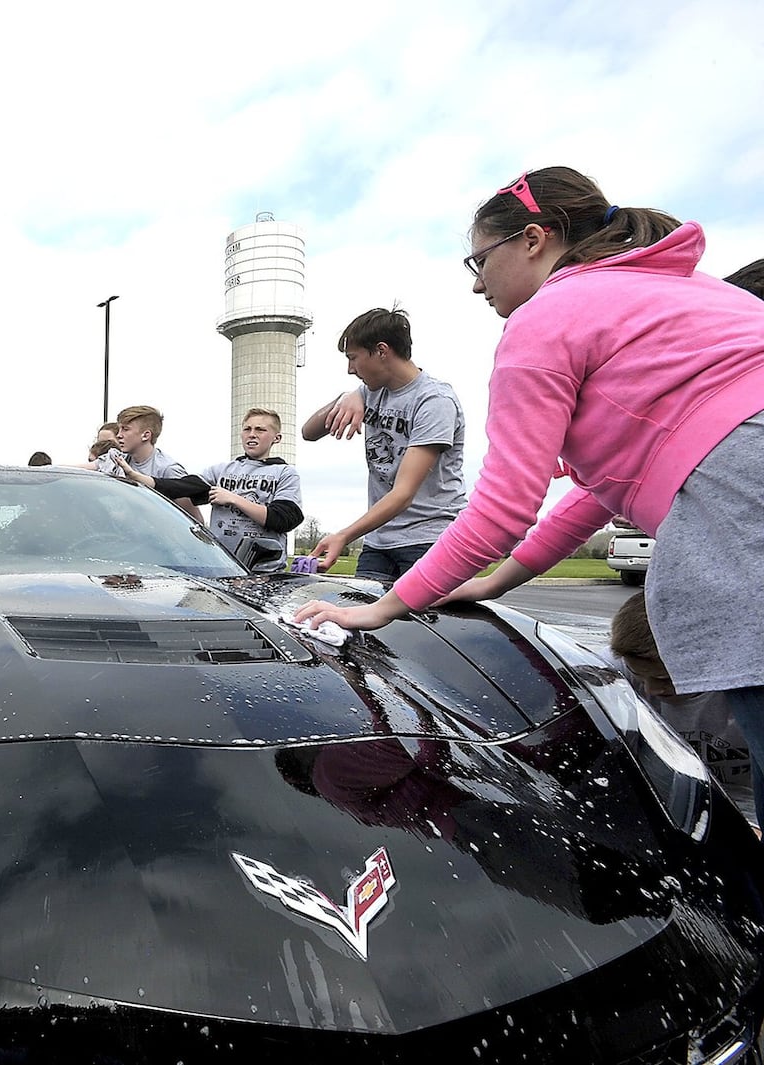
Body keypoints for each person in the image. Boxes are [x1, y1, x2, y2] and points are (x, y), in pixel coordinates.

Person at [293, 168, 764, 787]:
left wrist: (384, 608)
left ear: (534, 240)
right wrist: (496, 583)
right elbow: (592, 499)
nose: (477, 285)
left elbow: (503, 509)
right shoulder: (689, 292)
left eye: (479, 261)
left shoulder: (547, 317)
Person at [299, 308, 467, 585]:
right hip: (379, 541)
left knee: (422, 625)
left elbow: (403, 494)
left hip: (428, 538)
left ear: (381, 351)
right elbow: (309, 432)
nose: (350, 369)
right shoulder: (369, 392)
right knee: (365, 621)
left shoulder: (434, 401)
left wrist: (343, 535)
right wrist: (344, 397)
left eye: (353, 358)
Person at [610, 591, 753, 824]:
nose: (652, 690)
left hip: (746, 809)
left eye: (666, 679)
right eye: (639, 675)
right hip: (660, 804)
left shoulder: (746, 689)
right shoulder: (613, 672)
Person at [198, 408, 304, 573]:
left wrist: (234, 499)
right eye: (247, 429)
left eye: (260, 429)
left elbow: (284, 519)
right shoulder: (222, 470)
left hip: (264, 571)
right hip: (221, 567)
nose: (252, 434)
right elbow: (184, 488)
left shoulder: (284, 472)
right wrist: (144, 479)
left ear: (277, 438)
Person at [90, 405, 207, 517]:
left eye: (125, 429)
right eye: (119, 429)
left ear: (146, 435)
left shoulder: (167, 469)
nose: (119, 435)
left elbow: (194, 519)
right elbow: (85, 468)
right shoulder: (120, 460)